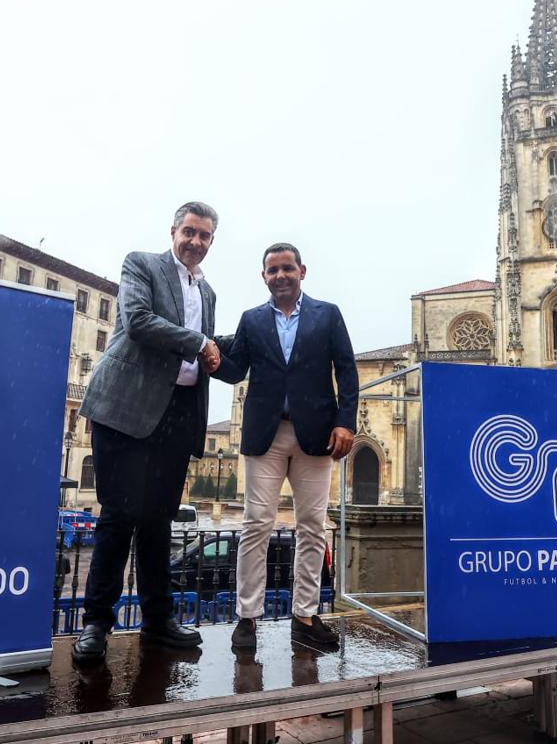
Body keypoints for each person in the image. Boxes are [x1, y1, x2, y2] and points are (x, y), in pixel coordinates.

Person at [71, 201, 224, 661]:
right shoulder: (141, 265)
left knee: (159, 521)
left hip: (177, 415)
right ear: (174, 231)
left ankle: (159, 622)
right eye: (190, 232)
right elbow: (137, 322)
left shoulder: (209, 293)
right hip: (125, 408)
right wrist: (200, 343)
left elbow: (206, 356)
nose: (196, 241)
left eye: (205, 236)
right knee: (118, 517)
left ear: (212, 242)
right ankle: (96, 624)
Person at [213, 242, 358, 650]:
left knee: (313, 527)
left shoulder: (327, 315)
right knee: (256, 524)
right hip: (266, 434)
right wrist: (210, 359)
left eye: (287, 268)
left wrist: (346, 422)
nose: (280, 275)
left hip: (316, 435)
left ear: (302, 271)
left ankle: (305, 616)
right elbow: (236, 367)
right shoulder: (252, 319)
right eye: (272, 270)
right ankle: (247, 618)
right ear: (264, 276)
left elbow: (347, 371)